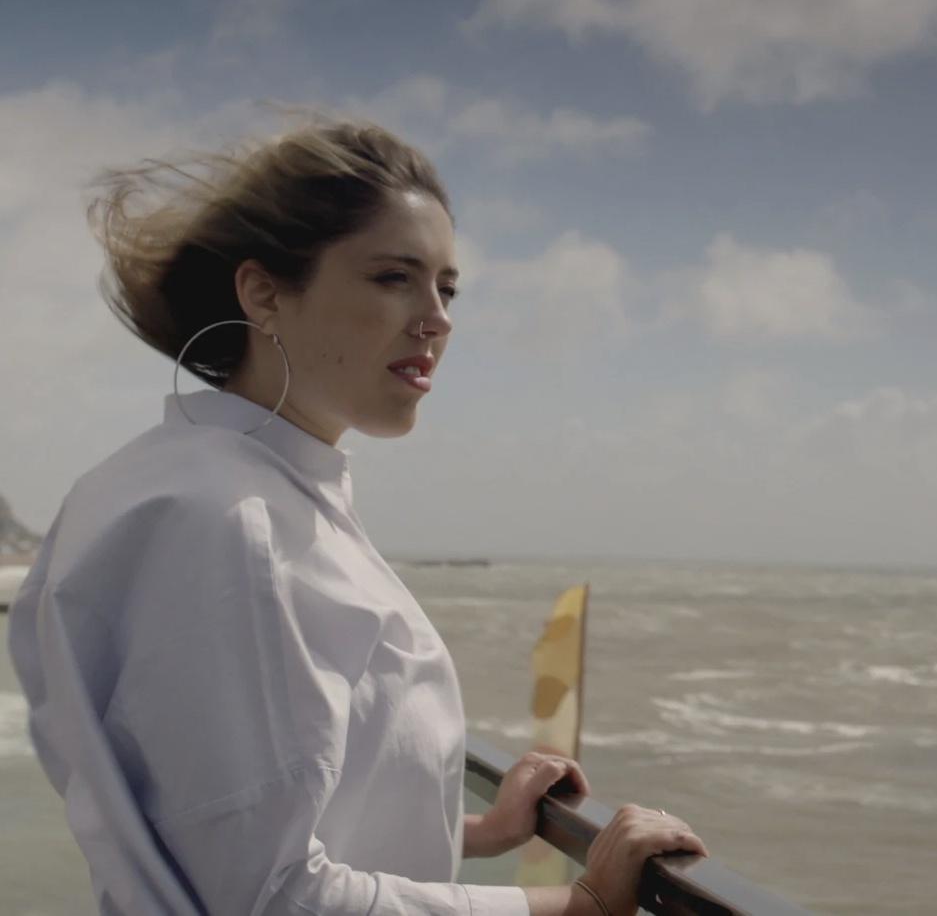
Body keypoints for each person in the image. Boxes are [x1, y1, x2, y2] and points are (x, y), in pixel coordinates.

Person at [6, 117, 707, 915]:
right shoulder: (233, 521)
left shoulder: (192, 481)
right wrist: (579, 906)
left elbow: (223, 819)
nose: (437, 318)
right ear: (264, 291)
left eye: (447, 287)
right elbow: (271, 896)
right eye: (392, 277)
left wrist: (477, 829)